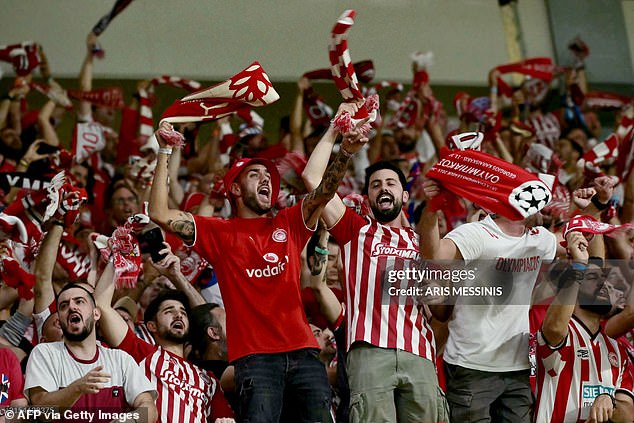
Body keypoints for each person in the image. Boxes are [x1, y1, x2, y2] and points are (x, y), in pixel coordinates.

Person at [148, 102, 367, 422]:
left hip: (305, 355)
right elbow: (160, 214)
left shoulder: (288, 222)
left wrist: (343, 148)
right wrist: (165, 153)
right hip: (256, 361)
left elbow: (321, 192)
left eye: (269, 175)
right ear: (234, 188)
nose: (266, 180)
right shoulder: (218, 232)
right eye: (255, 174)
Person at [303, 119, 448, 422]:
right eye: (375, 184)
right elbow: (312, 177)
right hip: (369, 352)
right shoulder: (355, 230)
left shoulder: (424, 243)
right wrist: (337, 136)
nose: (383, 188)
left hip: (419, 351)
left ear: (405, 196)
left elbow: (442, 305)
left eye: (391, 183)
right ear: (368, 197)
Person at [419, 178, 558, 423]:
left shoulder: (541, 239)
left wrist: (593, 207)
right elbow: (434, 255)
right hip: (471, 366)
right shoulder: (476, 233)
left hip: (517, 368)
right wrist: (432, 208)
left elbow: (576, 243)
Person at [95, 258, 235, 423]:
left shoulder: (209, 379)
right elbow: (102, 306)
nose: (178, 315)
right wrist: (115, 258)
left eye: (183, 312)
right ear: (152, 326)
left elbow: (225, 418)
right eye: (169, 311)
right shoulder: (142, 353)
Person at [24, 283, 158, 423]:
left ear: (96, 313)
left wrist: (127, 421)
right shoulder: (45, 352)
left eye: (79, 301)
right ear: (60, 319)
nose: (71, 307)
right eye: (63, 306)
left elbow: (149, 408)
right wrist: (77, 388)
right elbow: (41, 411)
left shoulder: (120, 359)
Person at [536, 231, 634, 422]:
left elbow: (628, 414)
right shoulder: (562, 332)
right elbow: (555, 327)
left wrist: (610, 402)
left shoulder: (618, 350)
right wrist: (579, 265)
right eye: (592, 279)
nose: (604, 285)